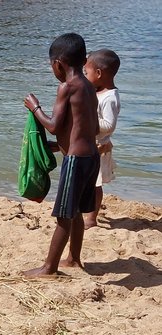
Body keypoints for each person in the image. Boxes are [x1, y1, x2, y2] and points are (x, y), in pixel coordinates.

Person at [23, 33, 99, 277]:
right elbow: (90, 128)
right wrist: (59, 146)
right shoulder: (88, 86)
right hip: (91, 157)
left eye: (51, 66)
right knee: (76, 210)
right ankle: (74, 259)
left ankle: (49, 268)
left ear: (58, 63)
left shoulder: (66, 87)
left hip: (76, 161)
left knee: (64, 215)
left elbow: (54, 125)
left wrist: (34, 108)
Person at [82, 49, 121, 229]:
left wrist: (88, 120)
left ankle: (91, 218)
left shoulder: (110, 97)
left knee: (94, 185)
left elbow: (109, 125)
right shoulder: (97, 91)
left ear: (98, 73)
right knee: (86, 182)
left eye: (86, 72)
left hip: (100, 146)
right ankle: (85, 211)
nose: (85, 76)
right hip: (90, 144)